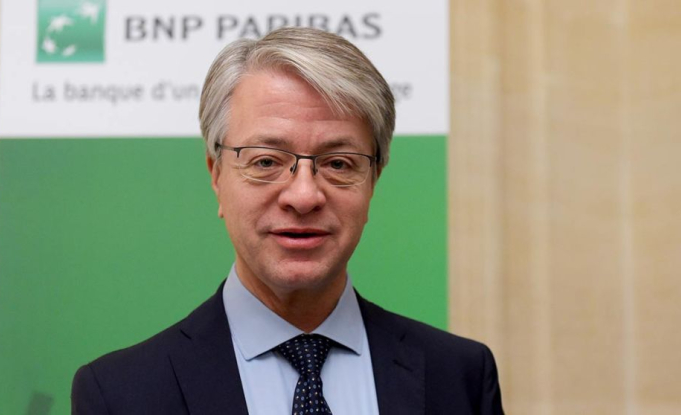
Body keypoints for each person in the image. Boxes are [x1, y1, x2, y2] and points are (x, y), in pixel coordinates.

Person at [72, 27, 504, 415]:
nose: (303, 195)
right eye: (265, 161)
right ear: (217, 175)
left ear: (373, 181)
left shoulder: (459, 378)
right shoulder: (120, 394)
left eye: (338, 163)